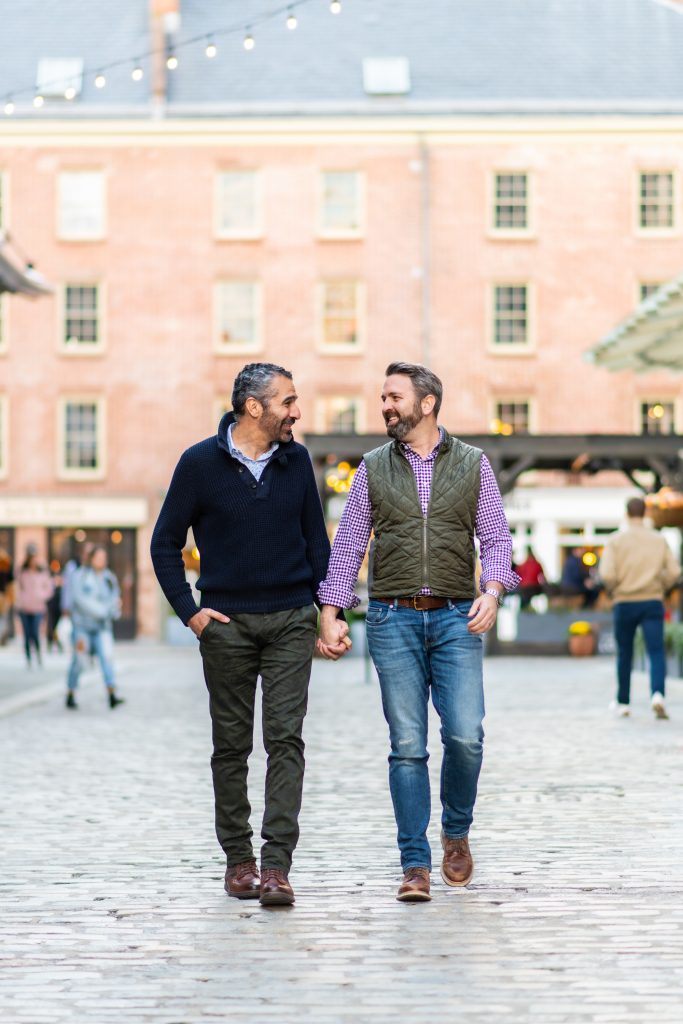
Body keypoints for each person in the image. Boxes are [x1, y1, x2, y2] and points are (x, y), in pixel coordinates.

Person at [317, 362, 519, 903]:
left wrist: (493, 591)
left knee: (466, 735)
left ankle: (456, 832)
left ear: (426, 404)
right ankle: (415, 863)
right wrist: (332, 610)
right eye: (383, 397)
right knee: (407, 745)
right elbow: (351, 541)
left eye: (394, 396)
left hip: (456, 617)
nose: (385, 405)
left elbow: (497, 539)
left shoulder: (474, 463)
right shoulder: (371, 467)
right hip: (392, 618)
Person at [151, 362, 334, 907]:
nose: (296, 412)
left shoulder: (297, 461)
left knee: (286, 741)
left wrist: (328, 610)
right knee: (230, 746)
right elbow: (164, 544)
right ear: (254, 407)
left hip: (290, 621)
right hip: (225, 626)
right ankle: (238, 861)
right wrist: (191, 613)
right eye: (288, 402)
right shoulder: (198, 464)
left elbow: (316, 544)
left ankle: (277, 866)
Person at [599, 497, 680, 720]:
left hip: (624, 602)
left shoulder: (616, 540)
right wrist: (660, 586)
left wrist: (617, 587)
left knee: (625, 653)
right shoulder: (658, 540)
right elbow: (674, 572)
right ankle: (657, 695)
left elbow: (606, 574)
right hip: (652, 600)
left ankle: (624, 702)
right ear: (645, 513)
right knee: (656, 651)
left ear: (627, 513)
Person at [66, 545, 123, 710]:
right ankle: (71, 691)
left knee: (107, 657)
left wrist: (113, 611)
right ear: (91, 558)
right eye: (99, 558)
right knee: (79, 660)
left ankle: (112, 693)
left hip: (102, 627)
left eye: (104, 558)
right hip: (82, 627)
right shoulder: (80, 576)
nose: (102, 561)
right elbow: (79, 600)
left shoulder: (109, 578)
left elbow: (115, 598)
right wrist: (103, 611)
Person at [15, 551, 53, 668]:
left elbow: (49, 589)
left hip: (38, 607)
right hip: (24, 607)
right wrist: (20, 600)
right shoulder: (23, 573)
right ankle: (28, 659)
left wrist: (41, 596)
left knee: (35, 633)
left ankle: (38, 656)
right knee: (26, 634)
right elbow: (17, 587)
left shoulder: (43, 573)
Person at [0, 547, 14, 646]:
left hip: (4, 597)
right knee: (3, 620)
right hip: (4, 597)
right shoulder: (6, 565)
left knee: (3, 619)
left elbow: (11, 583)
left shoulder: (6, 565)